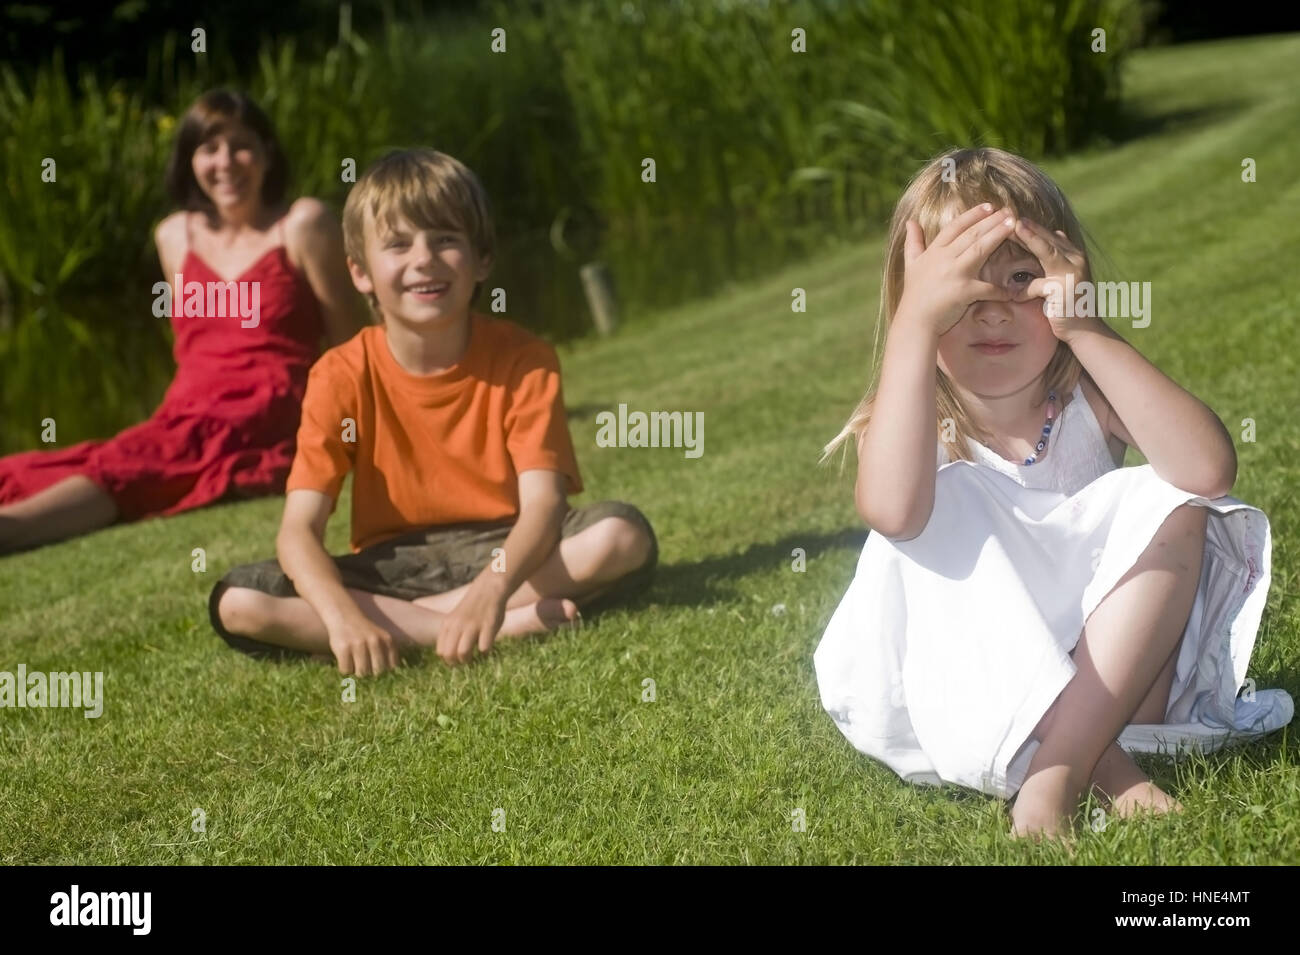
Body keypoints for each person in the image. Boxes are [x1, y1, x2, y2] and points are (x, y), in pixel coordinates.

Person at [814, 147, 1291, 840]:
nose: (995, 311)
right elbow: (893, 511)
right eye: (962, 291)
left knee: (1179, 501)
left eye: (1021, 278)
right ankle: (1102, 770)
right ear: (913, 302)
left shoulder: (1086, 396)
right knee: (946, 503)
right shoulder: (913, 426)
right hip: (974, 692)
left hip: (1118, 684)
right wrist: (915, 327)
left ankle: (1061, 767)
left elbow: (1209, 468)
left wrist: (1086, 328)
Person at [209, 148, 658, 675]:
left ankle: (428, 625)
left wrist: (490, 591)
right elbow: (298, 531)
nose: (424, 259)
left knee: (621, 535)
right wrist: (339, 615)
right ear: (359, 273)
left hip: (508, 553)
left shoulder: (525, 359)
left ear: (482, 259)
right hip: (390, 568)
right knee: (239, 600)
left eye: (446, 240)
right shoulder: (338, 374)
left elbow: (543, 507)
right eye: (397, 245)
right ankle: (500, 626)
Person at [0, 89, 363, 553]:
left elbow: (349, 346)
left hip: (270, 405)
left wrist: (347, 435)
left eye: (241, 145)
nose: (226, 162)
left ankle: (12, 529)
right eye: (209, 148)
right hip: (188, 406)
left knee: (143, 464)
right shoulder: (173, 236)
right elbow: (193, 346)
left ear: (268, 153)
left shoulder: (302, 224)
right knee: (113, 456)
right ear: (190, 161)